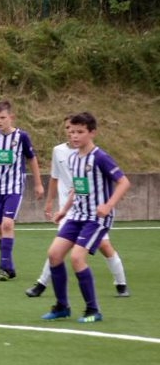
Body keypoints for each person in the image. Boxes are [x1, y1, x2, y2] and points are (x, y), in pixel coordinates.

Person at [25, 115, 130, 298]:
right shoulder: (65, 154)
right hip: (75, 212)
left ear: (91, 133)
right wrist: (61, 208)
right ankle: (43, 285)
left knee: (102, 247)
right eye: (70, 130)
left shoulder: (99, 157)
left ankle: (120, 285)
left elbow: (123, 182)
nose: (73, 134)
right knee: (57, 251)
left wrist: (108, 205)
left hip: (95, 215)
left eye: (78, 131)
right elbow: (68, 183)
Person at [0, 100, 44, 280]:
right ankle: (9, 266)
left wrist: (38, 184)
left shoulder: (22, 137)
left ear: (11, 117)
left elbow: (32, 159)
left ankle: (4, 268)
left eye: (2, 117)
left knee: (7, 224)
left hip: (14, 187)